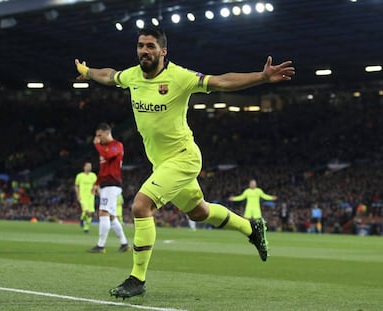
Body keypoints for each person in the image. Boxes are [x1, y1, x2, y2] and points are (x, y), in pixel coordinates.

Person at [75, 27, 294, 299]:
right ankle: (251, 228)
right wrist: (87, 72)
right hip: (162, 163)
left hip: (184, 157)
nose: (145, 50)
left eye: (151, 46)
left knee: (141, 205)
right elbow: (108, 75)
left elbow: (221, 82)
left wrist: (261, 77)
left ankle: (137, 279)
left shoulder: (179, 77)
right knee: (199, 212)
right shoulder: (132, 76)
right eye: (141, 45)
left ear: (163, 51)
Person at [88, 123, 130, 254]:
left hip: (112, 184)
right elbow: (103, 170)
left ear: (107, 133)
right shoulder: (105, 149)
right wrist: (96, 183)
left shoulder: (116, 146)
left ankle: (100, 246)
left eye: (99, 136)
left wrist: (96, 145)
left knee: (103, 212)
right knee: (111, 216)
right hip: (106, 184)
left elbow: (107, 157)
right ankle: (124, 244)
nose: (98, 139)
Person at [74, 161, 97, 233]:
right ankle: (83, 221)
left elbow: (96, 184)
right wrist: (77, 195)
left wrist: (95, 190)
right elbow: (76, 186)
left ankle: (85, 226)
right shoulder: (79, 176)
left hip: (91, 197)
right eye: (88, 166)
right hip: (83, 196)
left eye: (90, 166)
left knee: (91, 213)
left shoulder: (93, 175)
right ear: (84, 167)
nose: (89, 167)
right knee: (87, 211)